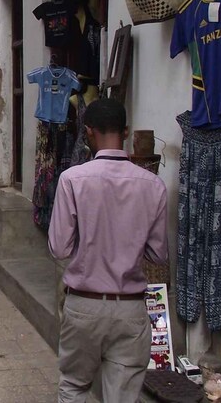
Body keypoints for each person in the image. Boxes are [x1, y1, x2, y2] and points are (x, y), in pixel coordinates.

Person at [48, 99, 168, 403]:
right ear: (125, 132)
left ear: (88, 132)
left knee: (74, 387)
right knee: (123, 397)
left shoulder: (72, 179)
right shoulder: (153, 186)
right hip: (130, 309)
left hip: (84, 306)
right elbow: (158, 255)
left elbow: (59, 248)